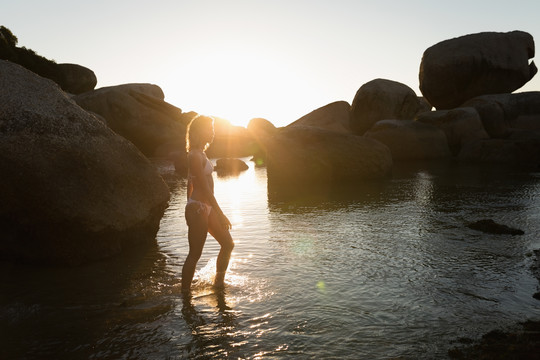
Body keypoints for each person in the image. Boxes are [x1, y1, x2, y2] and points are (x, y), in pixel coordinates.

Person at [182, 115, 234, 292]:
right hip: (199, 208)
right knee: (195, 254)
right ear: (198, 131)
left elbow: (189, 182)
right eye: (209, 129)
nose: (212, 132)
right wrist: (219, 213)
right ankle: (185, 294)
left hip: (203, 206)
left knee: (228, 244)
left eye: (213, 129)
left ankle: (218, 284)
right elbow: (203, 188)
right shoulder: (194, 155)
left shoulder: (200, 153)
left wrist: (187, 202)